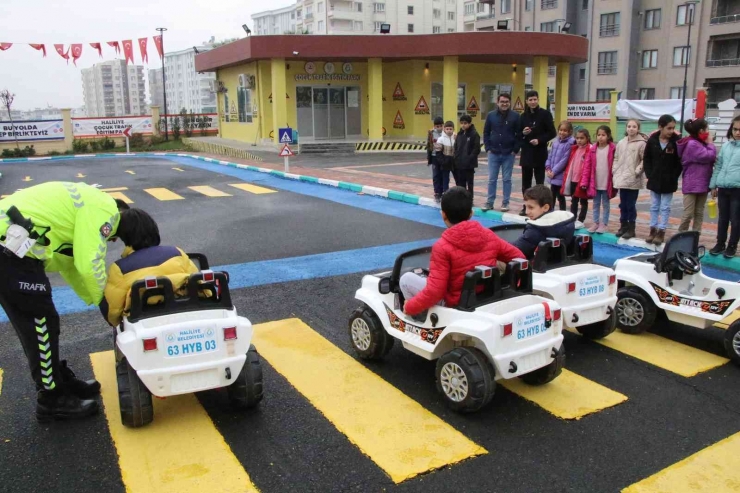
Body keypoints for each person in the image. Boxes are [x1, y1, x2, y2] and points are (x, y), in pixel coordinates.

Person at [0, 182, 130, 421]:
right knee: (40, 323)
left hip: (13, 249)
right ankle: (52, 399)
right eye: (115, 235)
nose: (112, 239)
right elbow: (89, 263)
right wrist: (107, 304)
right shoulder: (105, 208)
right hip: (9, 251)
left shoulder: (86, 205)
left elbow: (71, 265)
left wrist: (94, 299)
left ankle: (57, 380)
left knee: (42, 322)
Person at [401, 187, 524, 316]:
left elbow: (435, 292)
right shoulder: (489, 235)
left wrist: (410, 306)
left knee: (406, 279)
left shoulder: (442, 246)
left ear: (443, 214)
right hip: (487, 295)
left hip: (455, 303)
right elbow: (518, 257)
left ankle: (417, 318)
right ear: (471, 213)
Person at [100, 208, 200, 328]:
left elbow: (113, 312)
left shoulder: (120, 268)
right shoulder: (177, 253)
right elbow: (199, 284)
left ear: (124, 236)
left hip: (144, 324)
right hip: (186, 315)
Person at [643, 114, 682, 246]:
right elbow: (646, 158)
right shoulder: (652, 140)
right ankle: (652, 230)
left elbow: (679, 162)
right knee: (654, 206)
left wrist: (674, 176)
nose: (671, 131)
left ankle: (661, 231)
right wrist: (649, 174)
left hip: (668, 181)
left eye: (673, 128)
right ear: (660, 127)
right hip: (654, 179)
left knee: (665, 207)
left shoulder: (677, 142)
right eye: (668, 128)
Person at [519, 90, 557, 216]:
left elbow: (552, 132)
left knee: (540, 183)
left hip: (540, 152)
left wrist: (540, 140)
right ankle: (526, 207)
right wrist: (524, 133)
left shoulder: (545, 114)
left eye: (535, 99)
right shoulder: (523, 116)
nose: (533, 102)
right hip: (526, 153)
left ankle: (541, 208)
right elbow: (518, 134)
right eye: (530, 100)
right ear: (526, 101)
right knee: (526, 183)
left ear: (538, 100)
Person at [513, 185, 576, 259]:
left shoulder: (535, 230)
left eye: (531, 207)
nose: (526, 212)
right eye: (526, 207)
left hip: (535, 265)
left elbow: (515, 250)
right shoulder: (567, 223)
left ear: (545, 207)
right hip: (556, 262)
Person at [482, 93, 521, 212]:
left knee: (507, 179)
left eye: (506, 102)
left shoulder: (515, 116)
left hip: (508, 153)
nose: (504, 104)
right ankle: (489, 202)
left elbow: (519, 135)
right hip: (493, 152)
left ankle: (505, 203)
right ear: (497, 103)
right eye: (502, 101)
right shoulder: (491, 116)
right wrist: (487, 148)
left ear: (510, 103)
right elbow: (486, 132)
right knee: (492, 179)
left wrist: (515, 150)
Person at [677, 118, 716, 233]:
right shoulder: (692, 144)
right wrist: (711, 144)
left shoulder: (699, 143)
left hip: (703, 183)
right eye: (707, 129)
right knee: (688, 213)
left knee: (699, 212)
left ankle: (695, 236)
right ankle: (681, 235)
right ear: (701, 131)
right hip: (692, 183)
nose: (708, 132)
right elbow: (708, 156)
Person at [709, 115, 740, 258]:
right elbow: (719, 165)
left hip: (737, 189)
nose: (738, 132)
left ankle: (732, 245)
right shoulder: (726, 146)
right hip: (723, 187)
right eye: (735, 129)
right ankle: (720, 243)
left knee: (736, 219)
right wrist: (713, 185)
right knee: (722, 218)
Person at [613, 119, 647, 240]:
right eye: (629, 126)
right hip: (622, 178)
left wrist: (638, 170)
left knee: (630, 205)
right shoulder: (621, 142)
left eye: (634, 126)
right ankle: (623, 226)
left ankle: (631, 228)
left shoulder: (642, 143)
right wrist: (615, 170)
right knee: (622, 204)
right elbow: (616, 158)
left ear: (638, 128)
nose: (631, 128)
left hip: (633, 179)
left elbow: (644, 159)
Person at [582, 125, 616, 234]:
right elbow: (587, 166)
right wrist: (584, 181)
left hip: (607, 182)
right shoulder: (593, 149)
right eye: (599, 135)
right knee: (595, 204)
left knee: (606, 204)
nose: (601, 137)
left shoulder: (612, 149)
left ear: (608, 136)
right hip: (595, 182)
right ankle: (595, 223)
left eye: (603, 135)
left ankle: (604, 224)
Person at [560, 128, 592, 224]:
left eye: (582, 138)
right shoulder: (575, 149)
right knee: (574, 200)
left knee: (583, 201)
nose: (579, 140)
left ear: (587, 138)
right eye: (577, 138)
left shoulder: (590, 149)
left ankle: (581, 219)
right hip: (573, 179)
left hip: (582, 180)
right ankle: (572, 218)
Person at [545, 121, 575, 211]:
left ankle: (563, 214)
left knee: (560, 196)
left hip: (560, 174)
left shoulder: (570, 144)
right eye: (561, 130)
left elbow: (564, 161)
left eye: (565, 130)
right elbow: (550, 156)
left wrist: (554, 172)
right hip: (552, 174)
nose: (562, 132)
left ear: (570, 131)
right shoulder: (555, 142)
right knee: (552, 195)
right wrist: (548, 168)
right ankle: (551, 212)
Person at [453, 114, 481, 195]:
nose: (463, 125)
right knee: (461, 183)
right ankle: (462, 199)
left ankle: (469, 199)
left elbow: (476, 149)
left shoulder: (474, 134)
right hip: (459, 163)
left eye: (465, 123)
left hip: (469, 164)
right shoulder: (460, 134)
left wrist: (469, 158)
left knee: (470, 183)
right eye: (461, 123)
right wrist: (456, 158)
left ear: (469, 123)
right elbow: (456, 147)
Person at [427, 116, 446, 202]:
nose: (439, 128)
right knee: (436, 175)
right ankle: (437, 192)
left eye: (440, 126)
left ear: (443, 125)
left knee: (443, 175)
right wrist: (429, 157)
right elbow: (429, 145)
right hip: (434, 157)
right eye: (437, 126)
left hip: (443, 157)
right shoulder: (431, 133)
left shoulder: (446, 133)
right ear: (434, 126)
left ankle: (443, 192)